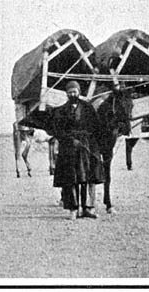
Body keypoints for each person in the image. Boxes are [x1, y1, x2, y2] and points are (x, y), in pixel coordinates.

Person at [50, 80, 104, 220]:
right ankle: (73, 209)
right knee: (70, 179)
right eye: (70, 92)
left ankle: (88, 208)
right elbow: (57, 130)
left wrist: (94, 145)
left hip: (86, 147)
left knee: (89, 177)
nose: (72, 94)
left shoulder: (88, 108)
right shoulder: (61, 111)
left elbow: (96, 127)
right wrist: (69, 139)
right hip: (69, 148)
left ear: (79, 92)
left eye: (75, 91)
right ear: (66, 94)